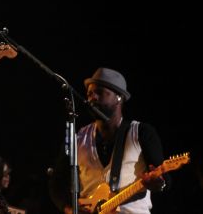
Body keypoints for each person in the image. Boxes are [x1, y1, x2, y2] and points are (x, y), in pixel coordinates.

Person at [49, 67, 170, 214]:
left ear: (119, 97)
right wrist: (69, 209)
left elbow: (165, 180)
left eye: (99, 92)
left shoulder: (142, 133)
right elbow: (56, 183)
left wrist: (159, 183)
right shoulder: (77, 138)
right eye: (89, 93)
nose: (92, 97)